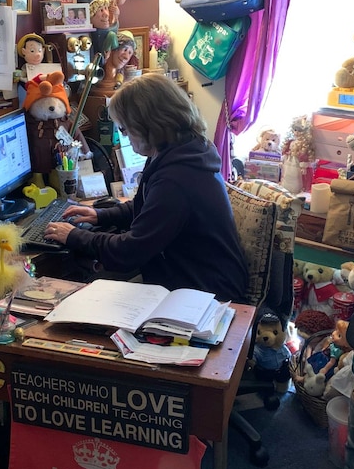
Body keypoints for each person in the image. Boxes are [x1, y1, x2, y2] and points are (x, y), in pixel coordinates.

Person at [43, 73, 248, 302]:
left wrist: (74, 236)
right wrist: (100, 215)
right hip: (191, 276)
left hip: (206, 294)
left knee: (83, 295)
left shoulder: (177, 179)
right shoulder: (182, 150)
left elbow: (130, 252)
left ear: (150, 125)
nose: (126, 137)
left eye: (125, 129)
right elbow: (148, 208)